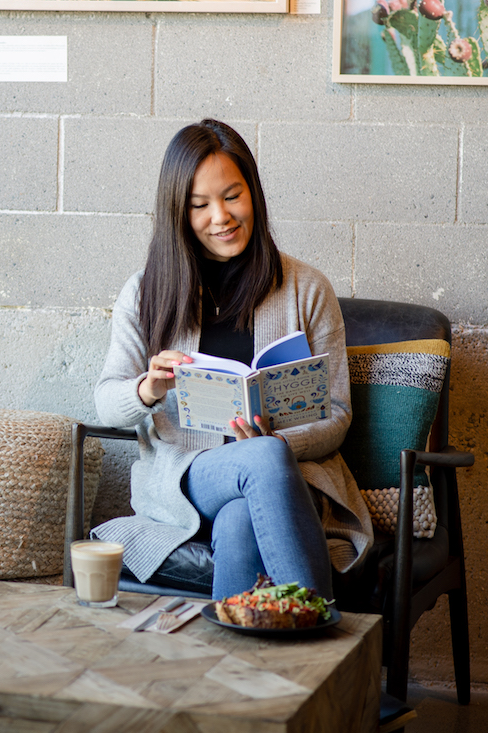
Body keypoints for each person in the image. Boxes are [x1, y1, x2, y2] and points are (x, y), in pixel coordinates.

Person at [91, 119, 373, 602]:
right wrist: (148, 389)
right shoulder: (145, 292)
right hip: (188, 477)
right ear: (179, 213)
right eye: (200, 205)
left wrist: (275, 438)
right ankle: (316, 624)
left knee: (244, 511)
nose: (220, 216)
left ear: (254, 194)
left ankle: (241, 666)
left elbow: (338, 416)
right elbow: (106, 404)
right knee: (258, 459)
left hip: (287, 481)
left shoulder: (306, 288)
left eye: (232, 196)